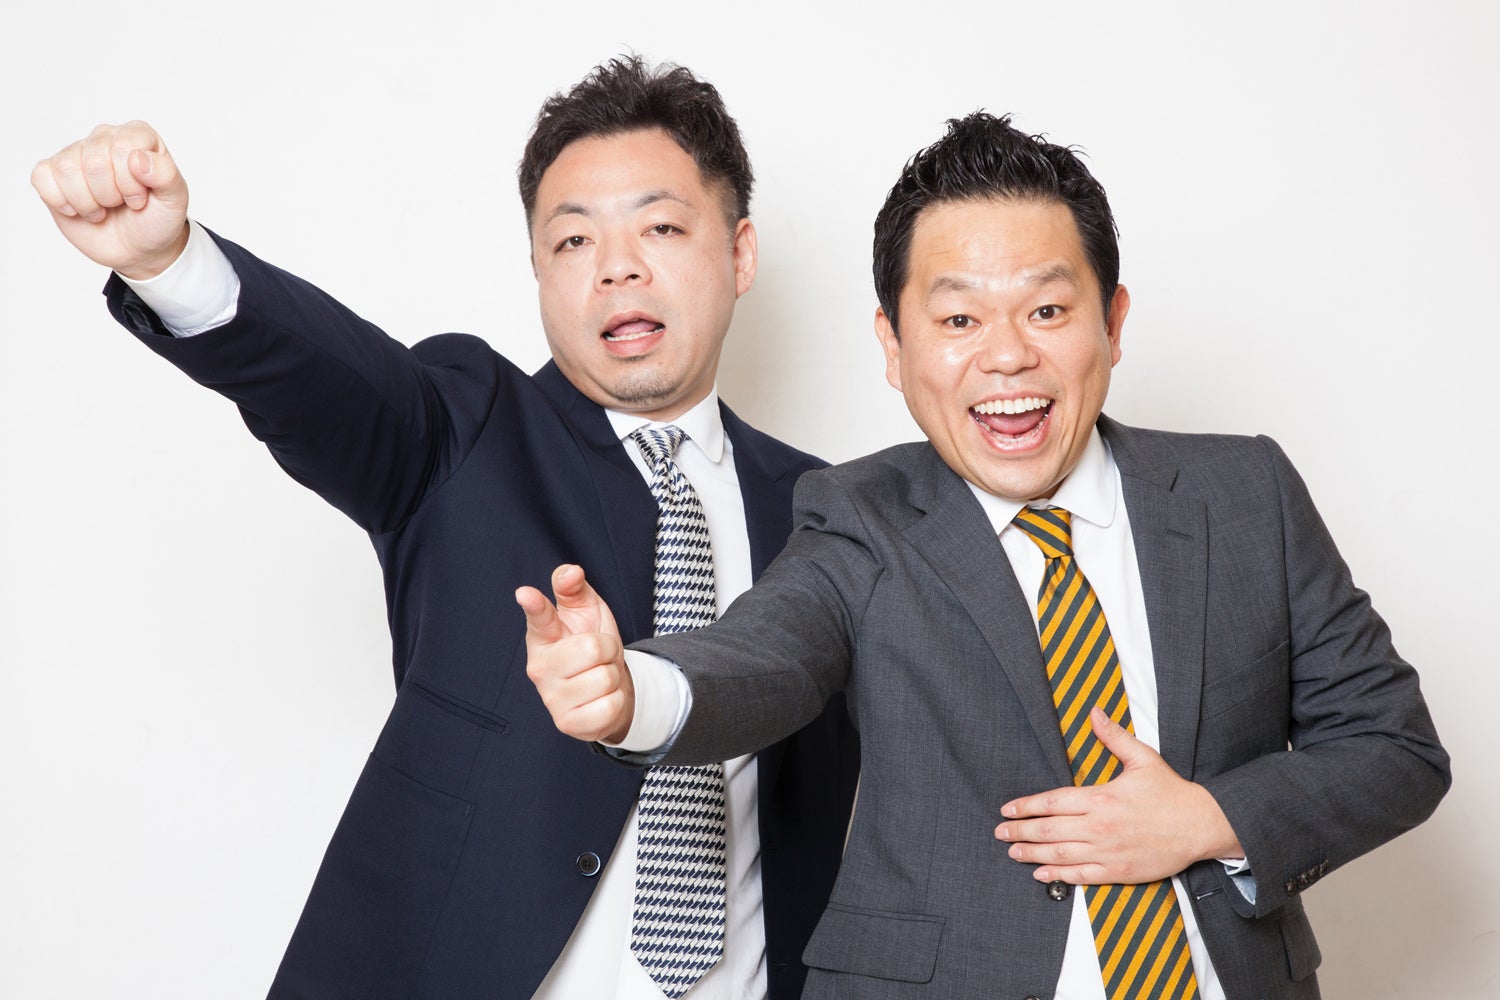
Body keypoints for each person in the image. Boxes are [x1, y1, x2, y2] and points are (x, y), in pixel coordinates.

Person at [519, 112, 1451, 999]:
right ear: (893, 346)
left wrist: (1209, 820)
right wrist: (634, 693)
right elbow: (766, 655)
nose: (1006, 357)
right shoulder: (862, 516)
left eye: (1046, 309)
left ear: (1112, 322)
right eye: (959, 321)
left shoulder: (1244, 494)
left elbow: (1394, 746)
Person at [31, 57, 858, 1000]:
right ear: (538, 272)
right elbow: (327, 382)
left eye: (660, 227)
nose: (617, 266)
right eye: (573, 240)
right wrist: (171, 263)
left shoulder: (828, 512)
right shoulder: (465, 430)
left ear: (740, 255)